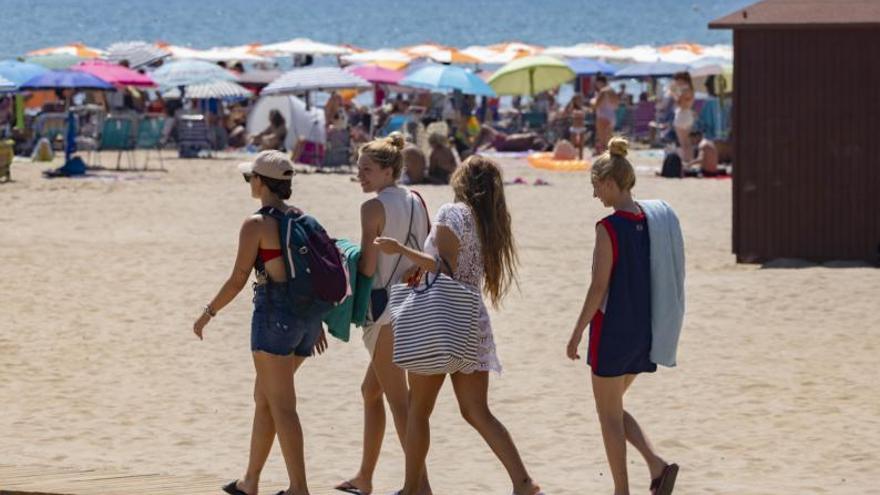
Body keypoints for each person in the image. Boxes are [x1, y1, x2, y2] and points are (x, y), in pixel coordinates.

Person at [375, 155, 543, 495]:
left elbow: (443, 268)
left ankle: (412, 490)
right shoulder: (489, 224)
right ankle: (523, 482)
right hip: (470, 319)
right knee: (477, 411)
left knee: (418, 410)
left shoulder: (452, 213)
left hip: (439, 318)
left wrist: (402, 250)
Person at [192, 150, 328, 495]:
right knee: (265, 396)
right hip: (306, 319)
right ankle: (249, 481)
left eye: (248, 178)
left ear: (260, 182)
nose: (248, 183)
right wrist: (318, 322)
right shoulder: (302, 219)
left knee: (282, 404)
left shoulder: (257, 224)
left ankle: (299, 488)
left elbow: (238, 278)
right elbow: (314, 275)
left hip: (275, 314)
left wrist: (208, 312)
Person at [566, 137, 678, 495]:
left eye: (596, 186)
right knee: (612, 407)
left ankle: (622, 490)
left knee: (608, 414)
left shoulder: (608, 227)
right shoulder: (651, 221)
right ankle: (657, 466)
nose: (595, 194)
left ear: (611, 183)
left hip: (612, 331)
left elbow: (598, 288)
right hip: (643, 330)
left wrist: (576, 332)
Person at [336, 132, 432, 495]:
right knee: (370, 392)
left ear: (389, 171)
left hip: (383, 310)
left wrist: (343, 257)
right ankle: (365, 477)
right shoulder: (418, 200)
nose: (361, 176)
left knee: (400, 403)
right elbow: (422, 253)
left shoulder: (372, 208)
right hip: (413, 302)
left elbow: (367, 266)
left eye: (368, 170)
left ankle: (421, 487)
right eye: (359, 169)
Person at [669, 72, 696, 162]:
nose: (676, 82)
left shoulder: (684, 90)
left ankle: (686, 160)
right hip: (688, 115)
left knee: (683, 142)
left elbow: (680, 103)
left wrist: (673, 94)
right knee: (687, 142)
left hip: (682, 116)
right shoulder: (690, 89)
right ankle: (689, 160)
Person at [591, 75, 619, 155]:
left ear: (600, 82)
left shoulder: (603, 91)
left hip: (603, 116)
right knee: (609, 138)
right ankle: (611, 155)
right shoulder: (612, 90)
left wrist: (591, 102)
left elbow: (596, 105)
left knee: (603, 140)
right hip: (612, 116)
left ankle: (605, 156)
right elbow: (616, 105)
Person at [564, 93, 587, 160]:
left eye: (579, 99)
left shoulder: (583, 107)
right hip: (574, 128)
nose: (579, 100)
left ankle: (581, 158)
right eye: (577, 99)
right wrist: (571, 101)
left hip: (582, 127)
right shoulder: (572, 107)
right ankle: (573, 157)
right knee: (573, 144)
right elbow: (566, 111)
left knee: (581, 145)